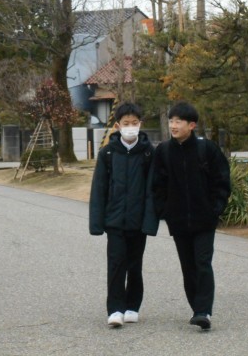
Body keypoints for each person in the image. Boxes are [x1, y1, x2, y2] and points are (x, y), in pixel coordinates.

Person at [144, 102, 231, 331]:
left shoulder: (207, 149)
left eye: (178, 121)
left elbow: (222, 181)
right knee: (188, 266)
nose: (173, 125)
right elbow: (157, 185)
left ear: (191, 125)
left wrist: (216, 209)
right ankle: (196, 308)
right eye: (171, 121)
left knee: (202, 263)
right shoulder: (163, 151)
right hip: (178, 220)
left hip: (205, 220)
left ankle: (204, 311)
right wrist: (165, 210)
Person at [89, 102, 154, 328]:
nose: (130, 127)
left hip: (138, 221)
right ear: (117, 126)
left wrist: (150, 221)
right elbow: (99, 189)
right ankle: (115, 309)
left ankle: (132, 306)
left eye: (134, 123)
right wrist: (97, 223)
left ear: (140, 124)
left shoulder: (148, 152)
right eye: (126, 123)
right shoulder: (107, 153)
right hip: (114, 220)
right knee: (116, 265)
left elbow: (152, 190)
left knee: (135, 265)